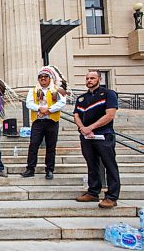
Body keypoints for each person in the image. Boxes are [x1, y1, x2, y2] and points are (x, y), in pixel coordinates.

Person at [74, 70, 120, 209]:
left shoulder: (108, 94)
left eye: (92, 78)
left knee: (109, 165)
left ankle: (112, 196)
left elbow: (110, 115)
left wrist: (91, 127)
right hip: (87, 136)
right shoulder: (81, 98)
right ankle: (93, 191)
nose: (89, 80)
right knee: (91, 164)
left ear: (99, 79)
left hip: (104, 134)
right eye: (87, 78)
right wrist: (83, 128)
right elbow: (76, 115)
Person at [21, 66, 66, 180]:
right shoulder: (34, 90)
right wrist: (40, 108)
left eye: (46, 77)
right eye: (41, 77)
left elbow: (62, 102)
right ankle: (30, 168)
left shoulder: (57, 89)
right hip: (38, 121)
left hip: (52, 121)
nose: (43, 79)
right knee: (33, 145)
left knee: (51, 146)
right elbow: (29, 103)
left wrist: (49, 110)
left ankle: (49, 170)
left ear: (50, 78)